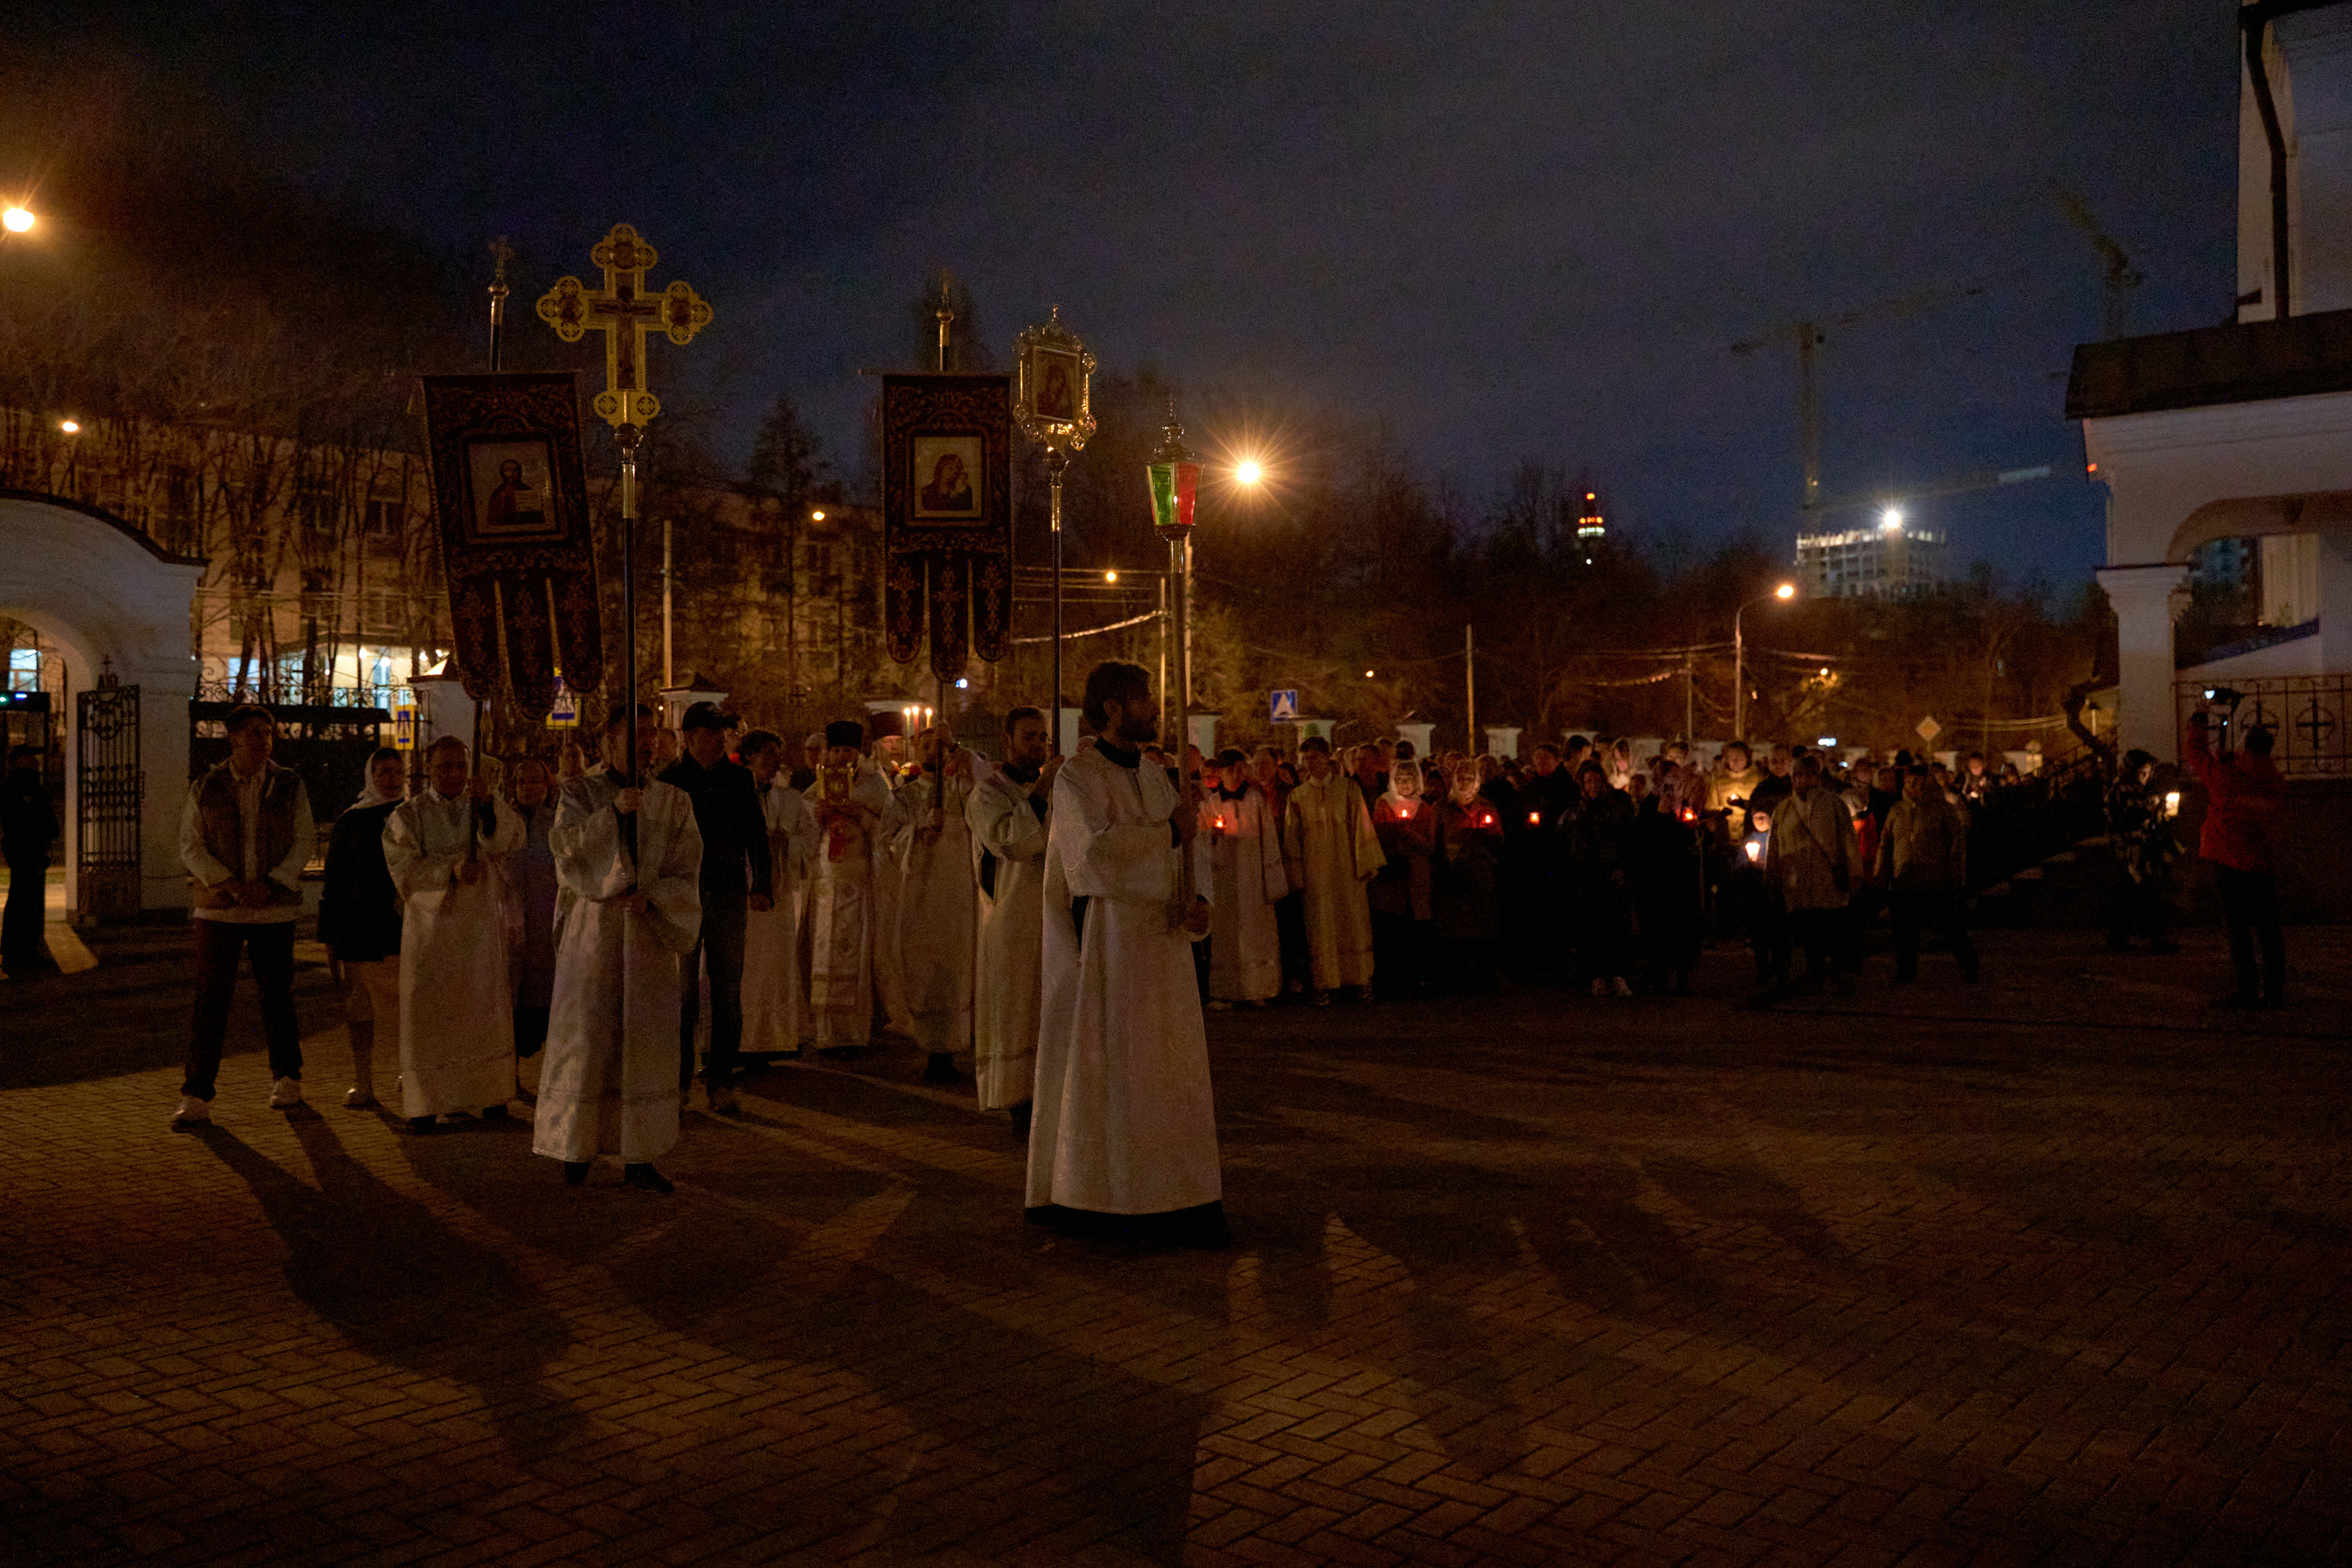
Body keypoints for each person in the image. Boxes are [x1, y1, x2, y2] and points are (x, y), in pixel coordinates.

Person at [1027, 661, 1227, 1247]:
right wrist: (1166, 834)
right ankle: (1108, 1196)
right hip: (1112, 947)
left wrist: (1198, 899)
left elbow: (1190, 849)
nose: (1155, 709)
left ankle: (1179, 1194)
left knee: (1170, 1070)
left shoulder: (1156, 773)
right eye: (1143, 699)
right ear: (1113, 706)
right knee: (1118, 1070)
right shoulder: (1076, 779)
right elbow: (1088, 858)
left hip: (1165, 945)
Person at [534, 704, 703, 1192]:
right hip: (596, 930)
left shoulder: (674, 801)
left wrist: (654, 897)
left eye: (651, 734)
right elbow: (565, 851)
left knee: (642, 1041)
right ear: (608, 740)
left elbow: (686, 866)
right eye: (634, 734)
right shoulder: (579, 794)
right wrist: (611, 815)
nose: (645, 743)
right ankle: (574, 1143)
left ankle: (640, 1152)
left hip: (646, 929)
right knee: (589, 1034)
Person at [175, 705, 314, 1125]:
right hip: (220, 910)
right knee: (211, 1000)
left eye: (267, 732)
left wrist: (271, 884)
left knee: (278, 996)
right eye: (252, 733)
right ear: (232, 738)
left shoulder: (288, 784)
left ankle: (288, 1078)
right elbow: (191, 844)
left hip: (273, 910)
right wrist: (232, 885)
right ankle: (196, 1095)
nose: (262, 740)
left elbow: (304, 839)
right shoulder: (207, 785)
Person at [383, 737, 524, 1134]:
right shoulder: (408, 815)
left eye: (459, 767)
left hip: (478, 927)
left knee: (482, 1008)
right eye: (444, 766)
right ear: (430, 768)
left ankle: (490, 1094)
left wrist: (489, 806)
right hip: (432, 932)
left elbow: (511, 839)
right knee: (432, 1014)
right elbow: (403, 868)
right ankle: (427, 1102)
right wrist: (450, 871)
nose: (452, 774)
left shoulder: (479, 804)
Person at [659, 701, 773, 1114]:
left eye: (723, 732)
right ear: (690, 738)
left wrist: (761, 883)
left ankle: (721, 1080)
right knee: (683, 995)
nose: (721, 739)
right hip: (682, 895)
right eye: (712, 732)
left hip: (726, 893)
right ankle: (679, 1081)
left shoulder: (739, 779)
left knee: (726, 992)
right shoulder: (670, 781)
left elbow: (756, 834)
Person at [968, 707, 1057, 1134]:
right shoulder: (987, 793)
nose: (1038, 746)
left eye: (1043, 738)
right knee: (1015, 1006)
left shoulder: (1057, 789)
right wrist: (1042, 792)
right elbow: (1012, 840)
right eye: (1029, 738)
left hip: (1054, 912)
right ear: (1007, 740)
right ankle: (1017, 1097)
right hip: (1011, 914)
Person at [801, 718, 899, 1051]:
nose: (841, 756)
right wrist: (817, 814)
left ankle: (855, 1032)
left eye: (847, 749)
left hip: (859, 879)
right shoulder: (818, 785)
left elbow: (889, 831)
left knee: (855, 953)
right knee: (822, 953)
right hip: (826, 881)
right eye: (836, 749)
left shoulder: (874, 784)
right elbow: (802, 829)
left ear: (859, 752)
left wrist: (862, 815)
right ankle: (826, 1032)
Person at [318, 747, 404, 1109]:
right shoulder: (351, 821)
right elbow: (334, 879)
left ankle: (409, 1074)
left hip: (401, 925)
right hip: (358, 926)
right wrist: (329, 933)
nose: (390, 779)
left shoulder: (411, 814)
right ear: (371, 775)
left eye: (397, 772)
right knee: (360, 1008)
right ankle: (364, 1080)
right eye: (383, 772)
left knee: (406, 1007)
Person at [2184, 707, 2287, 1008]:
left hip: (2228, 860)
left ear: (2245, 746)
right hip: (2262, 861)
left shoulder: (2226, 775)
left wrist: (2200, 720)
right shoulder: (2274, 782)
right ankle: (2274, 988)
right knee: (2268, 927)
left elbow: (2196, 754)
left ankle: (2247, 988)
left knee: (2237, 927)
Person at [896, 726, 979, 1084]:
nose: (934, 751)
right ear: (916, 749)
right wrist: (917, 832)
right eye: (927, 745)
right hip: (922, 894)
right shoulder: (904, 796)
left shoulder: (965, 792)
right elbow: (888, 841)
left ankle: (957, 1045)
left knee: (959, 965)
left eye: (941, 746)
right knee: (927, 966)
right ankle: (932, 1049)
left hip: (960, 893)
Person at [1283, 735, 1384, 1004]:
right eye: (1305, 760)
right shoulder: (1298, 796)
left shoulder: (1349, 790)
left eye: (1315, 758)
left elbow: (1362, 828)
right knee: (1320, 926)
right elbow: (1292, 838)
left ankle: (1361, 980)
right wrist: (1296, 873)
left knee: (1352, 922)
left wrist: (1366, 864)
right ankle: (1324, 983)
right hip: (1316, 874)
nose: (1310, 764)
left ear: (1327, 758)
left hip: (1347, 871)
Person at [738, 730, 819, 1066]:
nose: (774, 762)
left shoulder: (790, 800)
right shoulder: (737, 796)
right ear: (749, 757)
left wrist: (786, 842)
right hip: (747, 895)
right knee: (748, 967)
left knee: (777, 965)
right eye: (767, 754)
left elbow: (809, 838)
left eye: (776, 755)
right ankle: (745, 1039)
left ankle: (778, 1037)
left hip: (780, 894)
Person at [1765, 753, 1858, 995]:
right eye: (1798, 775)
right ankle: (1813, 974)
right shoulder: (1784, 809)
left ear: (1817, 777)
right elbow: (1774, 846)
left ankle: (1838, 975)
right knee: (1805, 931)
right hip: (1796, 883)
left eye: (1808, 774)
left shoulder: (1835, 805)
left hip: (1827, 881)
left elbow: (1848, 841)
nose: (1802, 780)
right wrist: (1772, 877)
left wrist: (1853, 872)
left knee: (1830, 929)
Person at [1203, 747, 1287, 1007]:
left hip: (1252, 877)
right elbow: (1201, 843)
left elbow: (1269, 839)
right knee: (1227, 934)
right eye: (1230, 769)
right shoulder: (1210, 804)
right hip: (1224, 879)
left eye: (1241, 767)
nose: (1236, 773)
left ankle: (1257, 988)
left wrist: (1270, 878)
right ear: (1221, 773)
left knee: (1255, 932)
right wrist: (1212, 838)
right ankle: (1227, 990)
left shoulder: (1255, 800)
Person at [1876, 764, 1976, 983]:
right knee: (1904, 931)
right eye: (1909, 781)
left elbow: (1956, 844)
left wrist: (1956, 875)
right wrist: (1881, 871)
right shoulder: (1898, 810)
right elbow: (1886, 842)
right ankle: (1906, 972)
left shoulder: (1943, 810)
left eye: (1918, 781)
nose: (1913, 786)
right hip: (1904, 880)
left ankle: (1969, 966)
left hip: (1935, 880)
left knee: (1950, 927)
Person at [503, 757, 562, 1069]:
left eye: (535, 781)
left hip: (544, 922)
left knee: (545, 1002)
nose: (528, 788)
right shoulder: (503, 822)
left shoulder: (557, 822)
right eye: (522, 781)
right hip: (509, 921)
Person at [1564, 762, 1635, 996]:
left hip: (1612, 876)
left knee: (1615, 926)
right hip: (1585, 878)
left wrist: (1624, 868)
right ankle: (1594, 975)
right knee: (1589, 927)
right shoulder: (1573, 814)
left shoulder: (1618, 811)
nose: (1593, 786)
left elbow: (1630, 843)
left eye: (1596, 781)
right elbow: (1564, 847)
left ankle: (1617, 974)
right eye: (1588, 782)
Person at [1367, 759, 1435, 999]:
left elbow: (1430, 845)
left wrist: (1409, 833)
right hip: (1391, 876)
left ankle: (1416, 978)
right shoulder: (1383, 803)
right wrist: (1395, 835)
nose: (1405, 784)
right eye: (1400, 779)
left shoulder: (1425, 808)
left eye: (1410, 779)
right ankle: (1390, 979)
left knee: (1414, 929)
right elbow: (1377, 834)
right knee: (1390, 929)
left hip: (1416, 875)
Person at [1629, 774, 1703, 995]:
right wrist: (1663, 818)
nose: (1671, 794)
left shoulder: (1686, 811)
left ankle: (1682, 978)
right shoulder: (1648, 812)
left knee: (1682, 930)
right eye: (1667, 788)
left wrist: (1692, 829)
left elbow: (1693, 844)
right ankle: (1659, 976)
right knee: (1657, 930)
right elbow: (1646, 841)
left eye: (1677, 788)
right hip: (1656, 882)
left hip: (1681, 882)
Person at [2103, 750, 2179, 954]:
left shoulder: (2140, 790)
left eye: (2148, 773)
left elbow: (2148, 822)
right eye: (2143, 773)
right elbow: (2124, 821)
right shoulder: (2120, 790)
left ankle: (2123, 938)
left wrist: (2163, 816)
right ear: (2132, 771)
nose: (2147, 777)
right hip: (2128, 851)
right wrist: (2149, 813)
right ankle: (2154, 939)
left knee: (2133, 896)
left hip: (2141, 851)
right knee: (2141, 894)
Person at [2, 742, 56, 977]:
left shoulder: (32, 786)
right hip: (24, 849)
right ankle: (19, 951)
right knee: (23, 899)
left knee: (29, 900)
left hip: (30, 850)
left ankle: (24, 949)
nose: (35, 760)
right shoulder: (18, 786)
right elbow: (22, 818)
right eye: (29, 757)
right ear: (18, 761)